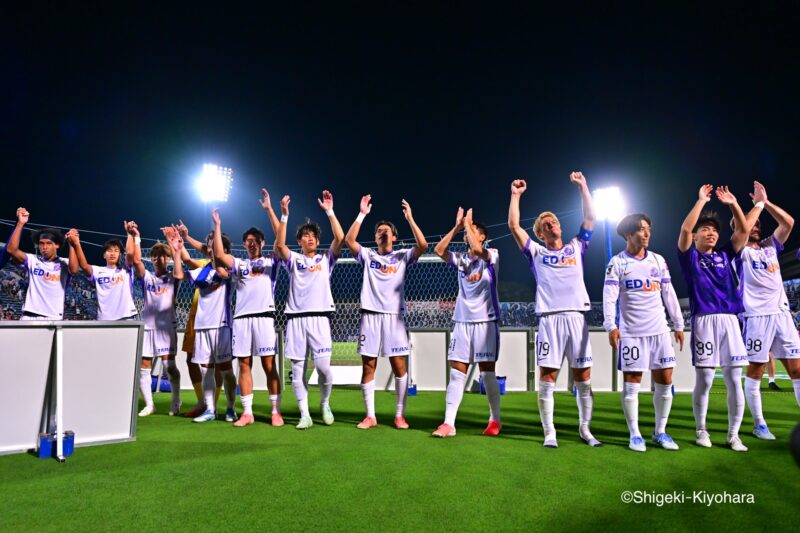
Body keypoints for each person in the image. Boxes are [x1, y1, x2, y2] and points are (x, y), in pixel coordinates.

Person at [508, 172, 600, 448]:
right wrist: (515, 195)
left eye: (555, 221)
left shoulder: (576, 246)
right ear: (539, 233)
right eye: (546, 224)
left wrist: (584, 187)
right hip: (549, 320)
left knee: (583, 378)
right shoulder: (536, 252)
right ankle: (550, 432)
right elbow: (514, 226)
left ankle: (585, 429)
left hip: (577, 318)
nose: (552, 225)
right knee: (547, 378)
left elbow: (591, 218)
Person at [603, 213, 685, 452]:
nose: (646, 233)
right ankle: (635, 434)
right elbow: (609, 297)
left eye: (648, 228)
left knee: (665, 380)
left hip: (659, 331)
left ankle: (660, 431)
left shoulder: (658, 261)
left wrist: (678, 325)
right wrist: (611, 326)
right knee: (632, 383)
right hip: (631, 333)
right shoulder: (617, 262)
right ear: (628, 235)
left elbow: (669, 294)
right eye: (641, 229)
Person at [677, 184, 750, 452]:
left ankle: (733, 435)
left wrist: (733, 204)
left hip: (730, 320)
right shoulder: (690, 257)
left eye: (715, 230)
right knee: (705, 379)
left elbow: (742, 231)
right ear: (696, 236)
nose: (711, 233)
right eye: (705, 229)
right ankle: (701, 430)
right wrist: (699, 201)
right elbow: (685, 231)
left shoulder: (725, 254)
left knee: (734, 379)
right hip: (704, 321)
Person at [345, 195, 427, 429]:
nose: (382, 233)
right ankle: (370, 416)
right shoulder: (368, 255)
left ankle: (399, 415)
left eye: (386, 231)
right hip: (370, 314)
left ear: (394, 236)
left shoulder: (402, 256)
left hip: (394, 317)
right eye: (379, 231)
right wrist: (362, 214)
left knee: (399, 366)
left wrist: (410, 218)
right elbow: (349, 240)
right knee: (368, 365)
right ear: (375, 237)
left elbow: (422, 245)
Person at [211, 191, 283, 427]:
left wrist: (270, 210)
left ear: (262, 243)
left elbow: (279, 240)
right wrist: (218, 225)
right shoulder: (240, 264)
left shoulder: (272, 261)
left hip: (264, 318)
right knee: (244, 364)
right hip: (242, 319)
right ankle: (247, 412)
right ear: (244, 245)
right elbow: (220, 254)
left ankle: (275, 411)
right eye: (248, 241)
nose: (251, 244)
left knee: (269, 365)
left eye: (256, 241)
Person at [275, 191, 345, 429]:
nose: (310, 238)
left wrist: (330, 211)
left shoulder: (326, 260)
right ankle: (304, 413)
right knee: (297, 370)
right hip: (295, 319)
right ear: (300, 241)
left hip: (320, 318)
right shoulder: (293, 260)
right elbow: (280, 245)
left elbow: (340, 238)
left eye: (313, 235)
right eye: (306, 236)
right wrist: (284, 216)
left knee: (324, 368)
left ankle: (324, 404)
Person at [736, 181, 799, 439]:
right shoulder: (738, 251)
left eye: (758, 225)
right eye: (752, 224)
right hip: (756, 317)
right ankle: (759, 423)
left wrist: (765, 203)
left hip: (782, 314)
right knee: (756, 371)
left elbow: (788, 223)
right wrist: (754, 209)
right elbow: (743, 229)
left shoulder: (770, 246)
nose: (757, 226)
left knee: (796, 370)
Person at [432, 207, 502, 437]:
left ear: (482, 236)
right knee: (456, 372)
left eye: (472, 231)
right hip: (462, 321)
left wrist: (469, 224)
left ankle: (495, 420)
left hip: (485, 321)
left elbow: (476, 248)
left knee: (487, 373)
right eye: (467, 231)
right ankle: (449, 423)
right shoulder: (461, 260)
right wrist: (457, 226)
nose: (467, 233)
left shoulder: (491, 255)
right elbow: (439, 249)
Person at [179, 219, 237, 423]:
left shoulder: (229, 269)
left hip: (221, 326)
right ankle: (210, 410)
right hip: (202, 326)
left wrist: (218, 227)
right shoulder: (202, 270)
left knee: (227, 370)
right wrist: (178, 244)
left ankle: (231, 407)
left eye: (215, 242)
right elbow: (181, 269)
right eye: (210, 242)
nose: (211, 245)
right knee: (206, 369)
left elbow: (220, 262)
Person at [129, 221, 185, 416]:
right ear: (151, 259)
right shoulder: (148, 278)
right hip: (148, 327)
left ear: (168, 258)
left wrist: (176, 248)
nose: (158, 259)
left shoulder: (172, 277)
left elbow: (179, 273)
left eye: (162, 255)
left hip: (166, 328)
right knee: (144, 367)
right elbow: (136, 262)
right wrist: (136, 237)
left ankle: (176, 401)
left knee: (170, 366)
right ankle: (150, 405)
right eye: (155, 256)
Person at [5, 207, 79, 319]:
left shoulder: (64, 263)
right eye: (41, 243)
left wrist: (72, 245)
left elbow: (74, 270)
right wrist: (20, 223)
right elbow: (11, 250)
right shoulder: (33, 260)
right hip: (29, 315)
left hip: (53, 317)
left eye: (49, 243)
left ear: (57, 245)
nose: (44, 247)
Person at [70, 225, 137, 321]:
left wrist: (130, 234)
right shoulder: (98, 271)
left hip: (126, 317)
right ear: (104, 255)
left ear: (120, 255)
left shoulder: (126, 270)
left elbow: (130, 253)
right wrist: (77, 243)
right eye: (109, 251)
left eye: (116, 251)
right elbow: (84, 266)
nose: (112, 253)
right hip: (104, 319)